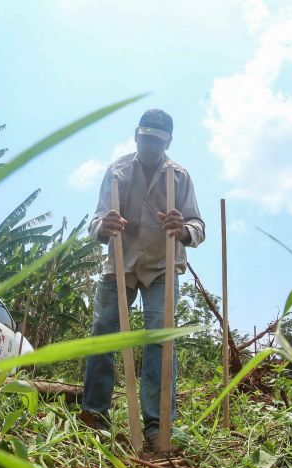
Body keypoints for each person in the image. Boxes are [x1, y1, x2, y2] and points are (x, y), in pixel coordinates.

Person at [81, 109, 205, 449]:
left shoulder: (179, 177)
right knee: (103, 333)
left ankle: (158, 426)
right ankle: (95, 416)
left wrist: (184, 229)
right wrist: (103, 226)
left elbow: (198, 226)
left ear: (168, 142)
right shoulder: (118, 172)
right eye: (146, 139)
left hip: (161, 267)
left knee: (160, 340)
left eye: (158, 142)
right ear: (136, 136)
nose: (151, 147)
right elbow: (95, 220)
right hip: (121, 262)